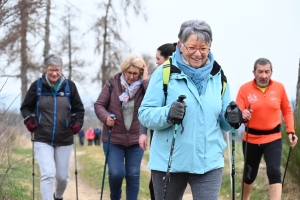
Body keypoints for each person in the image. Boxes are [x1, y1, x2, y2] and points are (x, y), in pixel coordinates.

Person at [138, 20, 232, 200]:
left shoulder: (218, 75)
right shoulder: (164, 73)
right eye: (192, 48)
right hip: (169, 162)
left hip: (209, 163)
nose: (198, 54)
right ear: (180, 45)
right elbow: (144, 114)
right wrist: (167, 113)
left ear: (210, 47)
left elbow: (225, 122)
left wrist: (231, 118)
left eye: (203, 48)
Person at [20, 54, 84, 200]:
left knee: (62, 177)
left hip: (65, 137)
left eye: (57, 70)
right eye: (50, 70)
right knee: (48, 173)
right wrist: (29, 120)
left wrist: (77, 123)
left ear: (61, 70)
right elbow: (25, 108)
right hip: (42, 137)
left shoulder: (70, 87)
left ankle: (58, 196)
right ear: (45, 69)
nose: (54, 73)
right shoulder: (37, 86)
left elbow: (79, 109)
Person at [236, 58, 298, 200]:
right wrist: (242, 115)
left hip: (273, 138)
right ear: (254, 72)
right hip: (251, 139)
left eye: (267, 72)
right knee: (249, 175)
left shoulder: (279, 88)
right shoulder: (244, 89)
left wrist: (291, 131)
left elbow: (287, 111)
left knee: (274, 171)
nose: (263, 76)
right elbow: (237, 111)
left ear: (271, 72)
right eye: (260, 72)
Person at [94, 54, 149, 200]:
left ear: (140, 73)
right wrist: (106, 117)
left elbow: (153, 100)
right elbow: (99, 105)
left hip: (135, 139)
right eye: (129, 72)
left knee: (133, 174)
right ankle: (115, 197)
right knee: (116, 173)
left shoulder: (144, 87)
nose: (131, 76)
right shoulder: (113, 83)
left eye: (135, 73)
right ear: (123, 71)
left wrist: (145, 80)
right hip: (113, 139)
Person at [139, 42, 176, 200]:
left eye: (158, 58)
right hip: (158, 132)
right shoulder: (161, 72)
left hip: (167, 136)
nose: (156, 62)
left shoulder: (165, 74)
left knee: (161, 183)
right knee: (155, 182)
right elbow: (147, 109)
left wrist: (146, 81)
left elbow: (156, 99)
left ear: (168, 58)